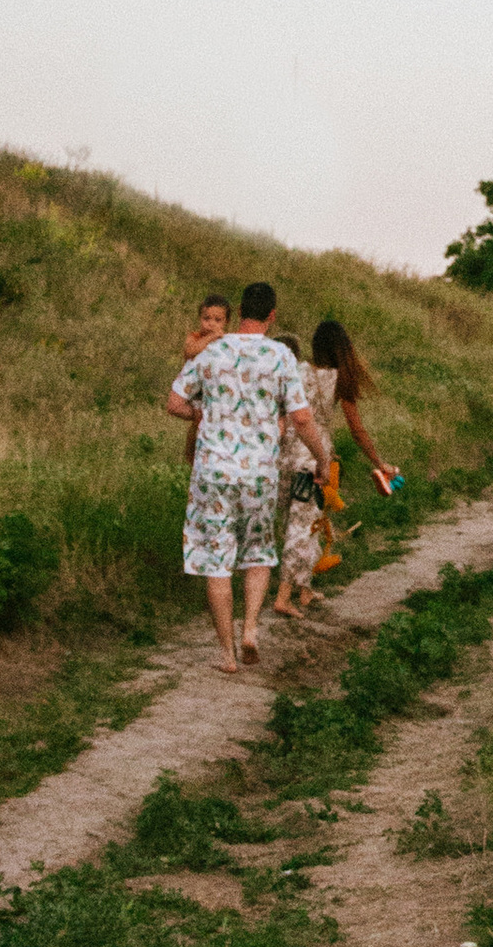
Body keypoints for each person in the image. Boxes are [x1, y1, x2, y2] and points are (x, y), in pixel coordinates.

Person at [165, 281, 333, 670]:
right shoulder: (279, 356)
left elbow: (175, 402)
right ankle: (251, 629)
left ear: (239, 312)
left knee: (215, 560)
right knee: (258, 552)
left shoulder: (212, 350)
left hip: (212, 473)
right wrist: (322, 459)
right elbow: (302, 417)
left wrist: (202, 415)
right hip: (259, 472)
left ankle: (227, 654)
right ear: (272, 316)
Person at [274, 313, 396, 615]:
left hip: (282, 454)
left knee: (305, 521)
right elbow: (357, 430)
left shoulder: (296, 369)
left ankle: (305, 590)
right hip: (314, 460)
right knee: (303, 526)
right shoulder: (339, 379)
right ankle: (283, 596)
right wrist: (380, 462)